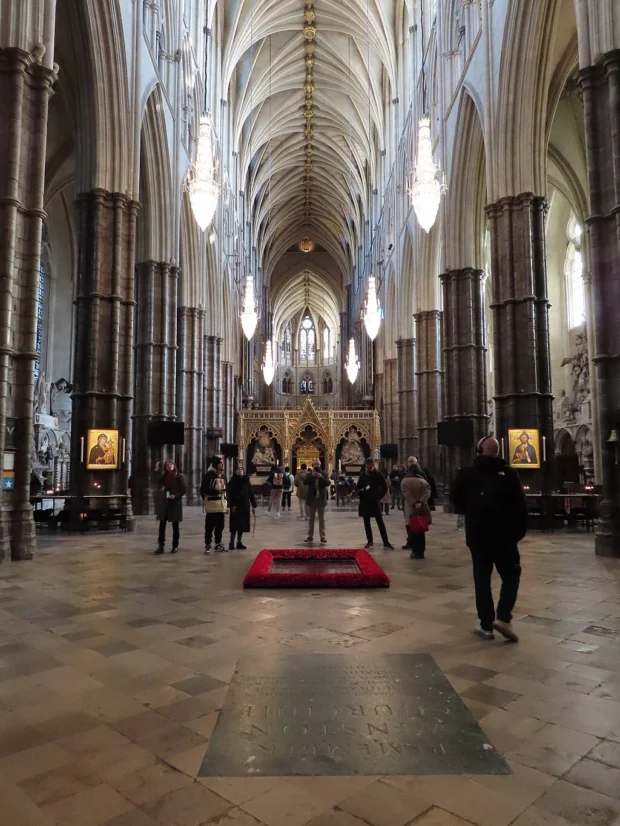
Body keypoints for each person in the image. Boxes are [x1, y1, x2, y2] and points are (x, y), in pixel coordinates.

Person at [451, 436, 527, 642]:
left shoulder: (466, 474)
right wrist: (518, 533)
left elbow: (455, 501)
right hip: (506, 537)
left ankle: (486, 626)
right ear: (498, 452)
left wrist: (471, 514)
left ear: (479, 450)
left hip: (478, 536)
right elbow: (521, 505)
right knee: (511, 576)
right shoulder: (510, 474)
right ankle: (503, 617)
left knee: (482, 579)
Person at [356, 458, 394, 549]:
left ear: (372, 465)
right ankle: (370, 541)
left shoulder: (378, 474)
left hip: (374, 501)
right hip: (365, 501)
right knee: (367, 522)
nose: (368, 468)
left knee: (380, 522)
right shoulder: (363, 475)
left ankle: (385, 541)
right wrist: (359, 491)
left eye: (369, 466)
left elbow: (385, 487)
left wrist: (378, 497)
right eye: (366, 466)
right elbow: (358, 487)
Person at [153, 460, 186, 555]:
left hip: (175, 504)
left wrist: (175, 495)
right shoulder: (165, 476)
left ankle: (175, 546)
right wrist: (155, 470)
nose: (169, 466)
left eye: (170, 464)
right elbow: (155, 481)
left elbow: (183, 490)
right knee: (162, 525)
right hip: (165, 503)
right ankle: (161, 546)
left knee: (175, 526)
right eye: (167, 465)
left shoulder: (179, 477)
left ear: (174, 465)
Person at [401, 461, 431, 557]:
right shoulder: (423, 481)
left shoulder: (404, 481)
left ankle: (415, 551)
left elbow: (406, 493)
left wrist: (414, 502)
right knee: (421, 529)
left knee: (413, 529)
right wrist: (421, 501)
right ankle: (421, 551)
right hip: (421, 507)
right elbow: (427, 492)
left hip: (410, 507)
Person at [201, 456, 228, 553]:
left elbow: (226, 491)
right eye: (221, 463)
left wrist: (227, 505)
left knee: (220, 526)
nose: (222, 464)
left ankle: (218, 543)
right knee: (209, 526)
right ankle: (208, 544)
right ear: (216, 465)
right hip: (212, 505)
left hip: (221, 505)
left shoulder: (223, 476)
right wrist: (216, 492)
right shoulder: (209, 476)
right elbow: (203, 490)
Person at [227, 465, 256, 549]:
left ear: (243, 471)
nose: (240, 471)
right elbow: (229, 495)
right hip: (235, 506)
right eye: (238, 469)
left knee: (241, 525)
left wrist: (254, 505)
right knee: (234, 525)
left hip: (244, 506)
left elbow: (250, 493)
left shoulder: (247, 481)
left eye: (241, 469)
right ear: (235, 471)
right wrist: (231, 505)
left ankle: (239, 542)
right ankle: (231, 543)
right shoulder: (232, 482)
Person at [304, 459, 330, 543]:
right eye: (315, 464)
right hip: (312, 500)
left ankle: (322, 536)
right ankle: (310, 536)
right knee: (311, 519)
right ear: (313, 465)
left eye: (318, 464)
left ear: (320, 465)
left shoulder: (324, 474)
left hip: (321, 499)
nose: (316, 465)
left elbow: (328, 483)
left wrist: (321, 477)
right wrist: (312, 475)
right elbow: (305, 482)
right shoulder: (309, 474)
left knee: (321, 519)